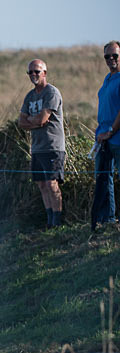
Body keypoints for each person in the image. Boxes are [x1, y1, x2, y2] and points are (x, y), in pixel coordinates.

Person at [18, 59, 66, 228]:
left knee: (53, 184)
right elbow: (21, 122)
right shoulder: (30, 96)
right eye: (30, 72)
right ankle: (49, 219)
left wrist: (34, 120)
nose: (33, 75)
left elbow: (43, 119)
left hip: (53, 146)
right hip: (37, 147)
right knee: (41, 183)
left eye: (36, 72)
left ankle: (57, 221)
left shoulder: (51, 93)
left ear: (44, 73)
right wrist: (35, 121)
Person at [93, 40, 120, 229]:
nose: (111, 59)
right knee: (104, 177)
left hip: (116, 137)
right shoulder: (108, 79)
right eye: (107, 56)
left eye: (115, 56)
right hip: (103, 137)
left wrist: (111, 131)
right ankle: (107, 218)